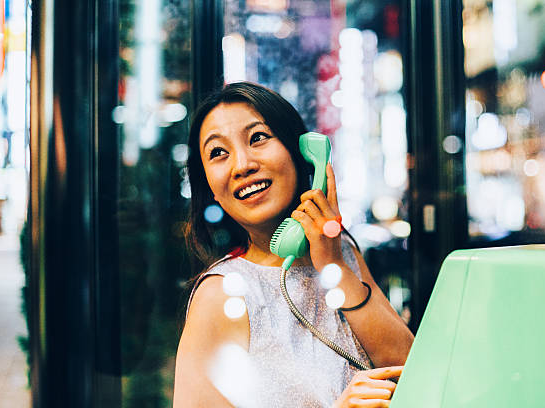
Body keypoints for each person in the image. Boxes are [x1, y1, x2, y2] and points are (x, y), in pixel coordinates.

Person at [173, 82, 414, 408]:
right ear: (211, 189)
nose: (242, 165)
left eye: (258, 138)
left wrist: (335, 267)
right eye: (218, 153)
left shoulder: (341, 253)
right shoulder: (222, 294)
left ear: (301, 153)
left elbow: (410, 370)